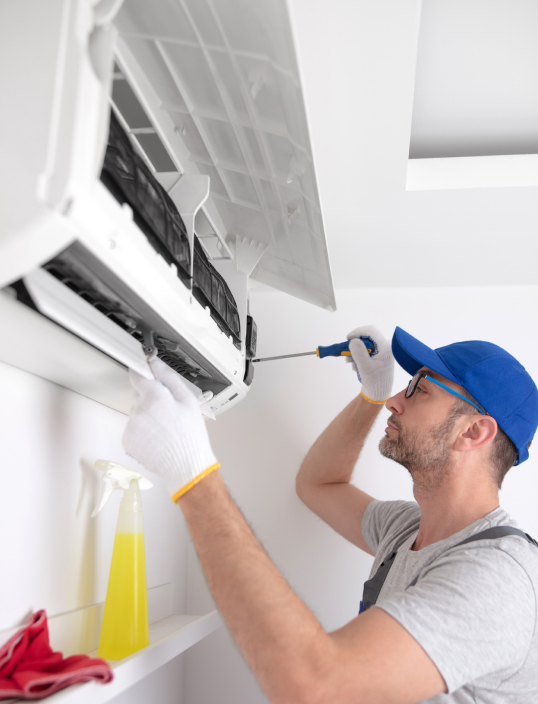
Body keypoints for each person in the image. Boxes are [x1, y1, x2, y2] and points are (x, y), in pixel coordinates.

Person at [123, 325, 538, 704]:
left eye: (420, 389)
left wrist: (190, 474)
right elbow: (319, 484)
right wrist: (370, 397)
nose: (397, 400)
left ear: (473, 432)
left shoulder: (498, 578)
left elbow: (316, 687)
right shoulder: (407, 529)